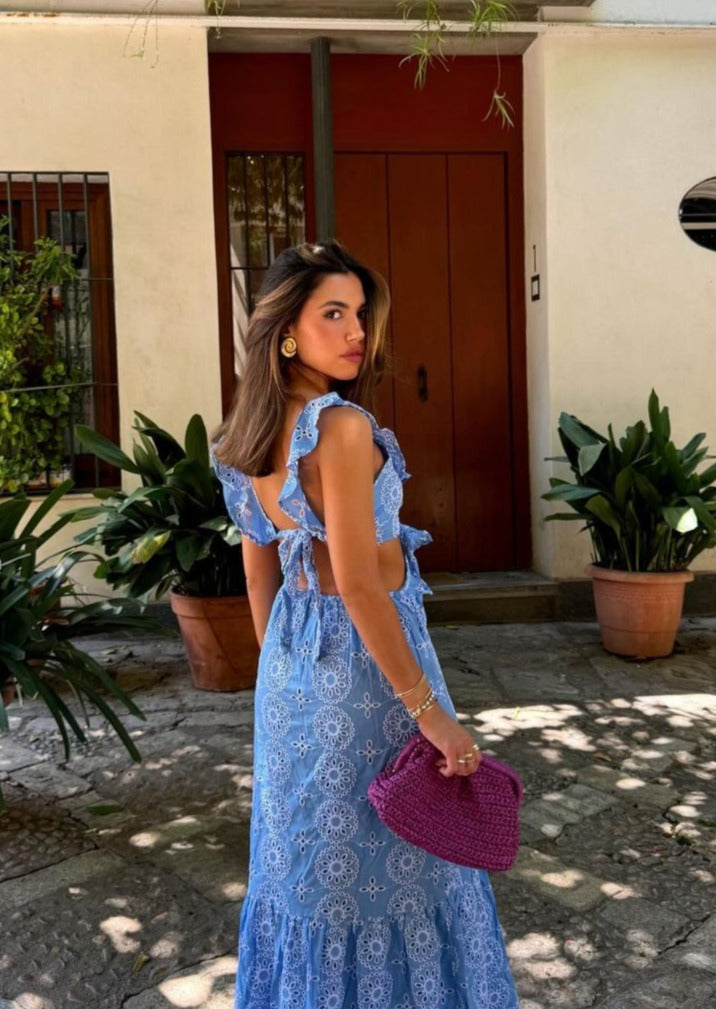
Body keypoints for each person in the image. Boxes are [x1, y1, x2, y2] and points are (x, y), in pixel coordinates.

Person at [210, 240, 520, 1009]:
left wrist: (290, 676)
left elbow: (259, 576)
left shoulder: (248, 433)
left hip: (293, 677)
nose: (357, 331)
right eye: (333, 313)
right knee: (405, 868)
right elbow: (356, 582)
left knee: (311, 875)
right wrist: (432, 714)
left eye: (359, 313)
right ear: (287, 330)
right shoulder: (339, 425)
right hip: (366, 672)